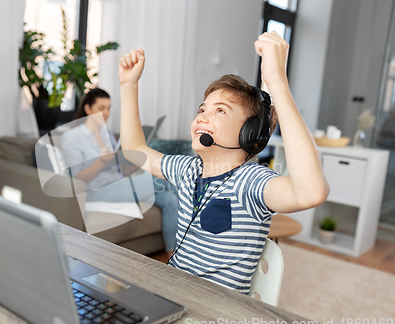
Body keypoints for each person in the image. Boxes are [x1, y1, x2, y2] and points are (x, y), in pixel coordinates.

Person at [118, 32, 329, 294]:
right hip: (174, 296)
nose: (203, 117)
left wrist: (278, 84)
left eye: (220, 111)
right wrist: (129, 86)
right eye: (202, 109)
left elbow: (312, 191)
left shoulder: (251, 182)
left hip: (215, 314)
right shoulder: (188, 170)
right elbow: (134, 150)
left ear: (249, 133)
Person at [60, 88, 178, 255]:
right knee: (163, 179)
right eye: (101, 108)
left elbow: (117, 170)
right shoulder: (72, 137)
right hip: (95, 191)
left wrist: (133, 167)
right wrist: (101, 160)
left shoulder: (107, 134)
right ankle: (200, 238)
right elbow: (77, 179)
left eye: (109, 108)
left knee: (169, 199)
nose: (106, 113)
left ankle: (173, 255)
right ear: (88, 109)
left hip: (119, 186)